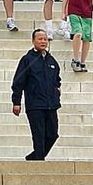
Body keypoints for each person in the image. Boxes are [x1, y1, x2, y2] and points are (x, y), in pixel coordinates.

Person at [11, 28, 62, 160]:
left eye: (45, 39)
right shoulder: (27, 59)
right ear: (33, 41)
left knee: (52, 134)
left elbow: (57, 80)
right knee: (38, 136)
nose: (43, 41)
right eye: (40, 39)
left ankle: (34, 157)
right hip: (35, 105)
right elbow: (18, 81)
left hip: (51, 105)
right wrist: (16, 102)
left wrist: (57, 90)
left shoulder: (52, 61)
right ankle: (39, 163)